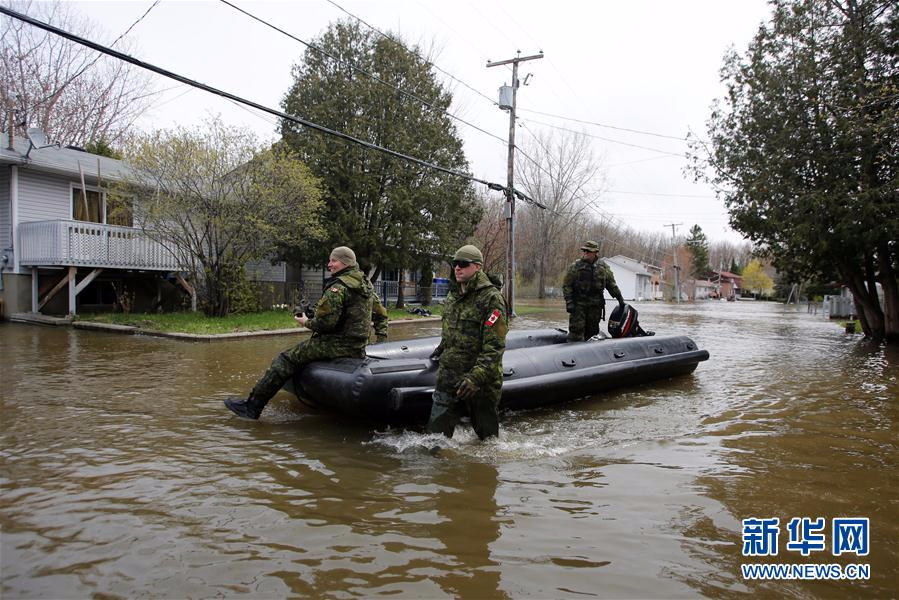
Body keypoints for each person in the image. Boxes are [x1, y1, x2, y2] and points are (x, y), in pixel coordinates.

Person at [224, 246, 389, 419]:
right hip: (357, 347)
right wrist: (381, 339)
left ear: (345, 263)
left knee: (284, 359)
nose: (329, 264)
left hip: (335, 345)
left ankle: (252, 407)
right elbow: (381, 314)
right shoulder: (365, 285)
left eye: (333, 261)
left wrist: (306, 322)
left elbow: (325, 325)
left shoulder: (338, 287)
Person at [426, 245, 508, 440]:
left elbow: (494, 347)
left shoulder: (492, 300)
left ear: (477, 267)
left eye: (463, 264)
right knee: (433, 440)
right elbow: (451, 334)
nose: (457, 268)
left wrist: (475, 378)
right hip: (449, 377)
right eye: (455, 264)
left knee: (488, 443)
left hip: (479, 384)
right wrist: (441, 350)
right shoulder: (453, 296)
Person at [562, 240, 625, 342]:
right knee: (576, 331)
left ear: (595, 252)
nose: (585, 253)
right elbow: (567, 285)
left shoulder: (603, 267)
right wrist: (569, 302)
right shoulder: (576, 266)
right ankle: (572, 352)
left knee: (593, 332)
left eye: (588, 251)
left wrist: (620, 299)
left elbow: (611, 285)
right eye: (584, 251)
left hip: (595, 306)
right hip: (579, 305)